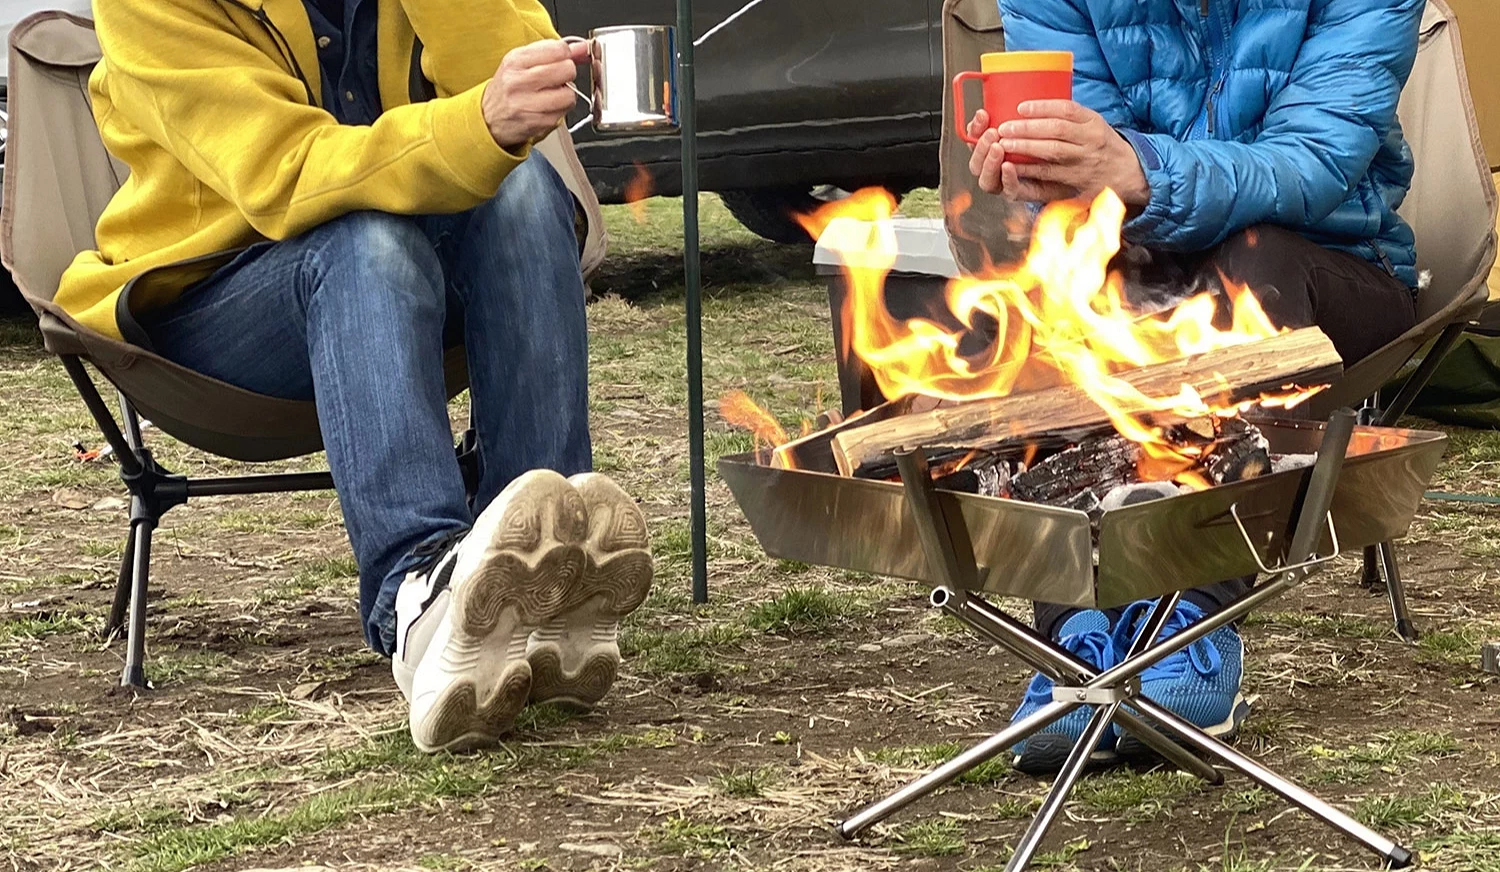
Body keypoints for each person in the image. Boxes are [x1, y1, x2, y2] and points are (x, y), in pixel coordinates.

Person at [62, 1, 655, 753]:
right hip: (206, 302)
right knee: (364, 238)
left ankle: (548, 571)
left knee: (526, 189)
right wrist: (475, 124)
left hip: (399, 277)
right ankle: (421, 595)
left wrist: (492, 107)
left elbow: (520, 95)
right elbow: (287, 172)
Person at [966, 0, 1426, 774]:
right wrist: (1046, 166)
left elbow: (1312, 161)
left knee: (1255, 263)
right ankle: (1077, 634)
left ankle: (1192, 619)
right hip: (1147, 263)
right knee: (1050, 295)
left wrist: (1139, 169)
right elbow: (1092, 188)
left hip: (1326, 270)